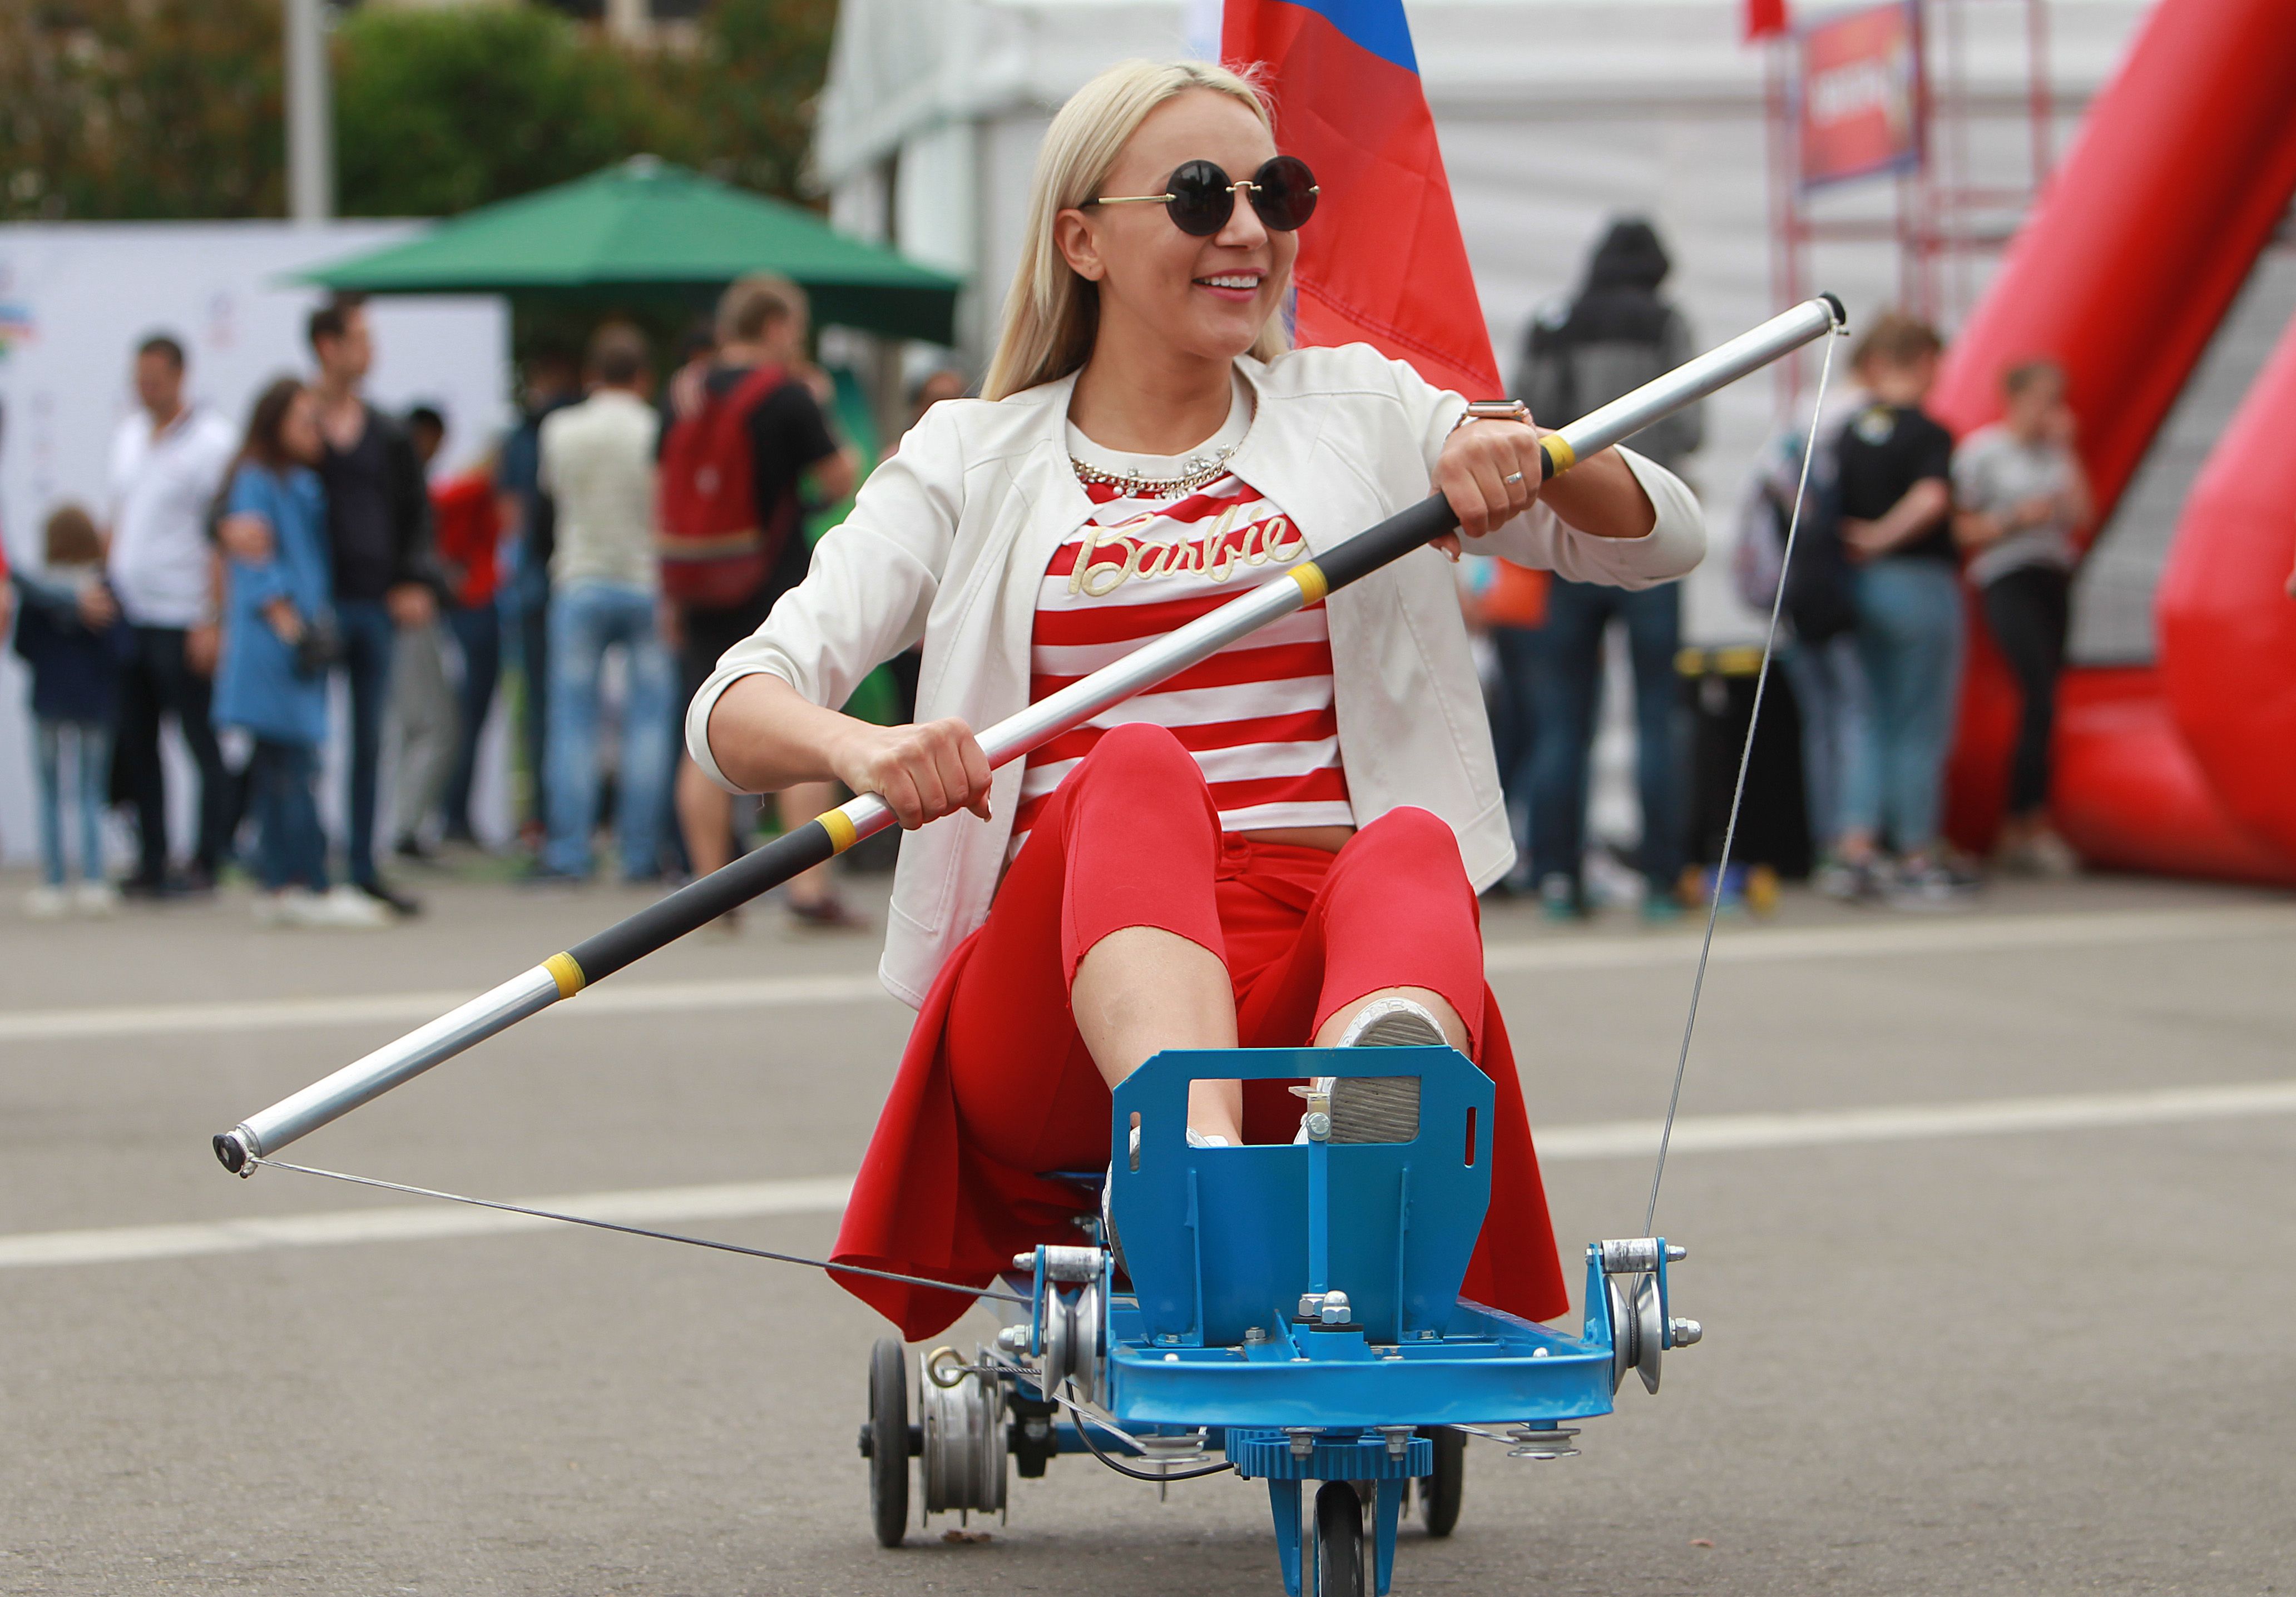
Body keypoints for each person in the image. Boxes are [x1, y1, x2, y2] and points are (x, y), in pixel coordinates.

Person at [687, 59, 1705, 1338]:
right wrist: (867, 747)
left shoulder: (1364, 408)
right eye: (1194, 194)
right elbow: (735, 704)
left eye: (1273, 193)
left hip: (1308, 977)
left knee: (1408, 844)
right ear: (1081, 241)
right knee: (1135, 766)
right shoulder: (968, 453)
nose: (1245, 229)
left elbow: (1661, 542)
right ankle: (1198, 1173)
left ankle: (1374, 1103)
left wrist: (1538, 459)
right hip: (1060, 1000)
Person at [1516, 218, 1705, 920]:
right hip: (1643, 529)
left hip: (1564, 538)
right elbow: (1690, 429)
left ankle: (1559, 880)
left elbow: (1517, 413)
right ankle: (1660, 883)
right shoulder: (1666, 323)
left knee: (1563, 718)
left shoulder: (1553, 322)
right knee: (1659, 713)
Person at [662, 275, 860, 927]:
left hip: (696, 581)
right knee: (804, 721)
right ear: (775, 326)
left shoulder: (685, 393)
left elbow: (659, 489)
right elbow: (840, 477)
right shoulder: (787, 396)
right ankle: (807, 891)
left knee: (703, 723)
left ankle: (710, 892)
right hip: (770, 580)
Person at [211, 379, 389, 929]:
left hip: (299, 642)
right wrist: (295, 632)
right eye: (304, 420)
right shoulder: (257, 480)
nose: (316, 430)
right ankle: (302, 880)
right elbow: (259, 567)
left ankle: (285, 879)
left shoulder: (302, 483)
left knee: (283, 767)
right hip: (277, 647)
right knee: (288, 767)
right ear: (275, 424)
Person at [1832, 312, 1970, 906]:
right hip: (1915, 580)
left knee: (1869, 718)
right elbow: (1933, 498)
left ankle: (1858, 846)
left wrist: (1858, 544)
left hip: (1860, 587)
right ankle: (1916, 850)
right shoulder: (1928, 433)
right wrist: (1884, 535)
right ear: (1920, 362)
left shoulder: (1848, 429)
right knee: (1919, 722)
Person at [304, 296, 435, 915]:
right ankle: (300, 863)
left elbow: (415, 514)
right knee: (300, 739)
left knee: (368, 742)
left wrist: (412, 580)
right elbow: (245, 489)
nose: (371, 350)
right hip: (312, 607)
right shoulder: (295, 422)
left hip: (373, 602)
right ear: (329, 346)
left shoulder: (385, 431)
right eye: (360, 337)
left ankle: (361, 865)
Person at [535, 323, 675, 883]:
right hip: (646, 580)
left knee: (572, 720)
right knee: (649, 720)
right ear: (643, 377)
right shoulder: (654, 428)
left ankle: (569, 850)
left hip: (581, 577)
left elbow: (552, 492)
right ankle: (638, 852)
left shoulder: (560, 428)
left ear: (593, 375)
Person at [104, 333, 237, 897]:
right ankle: (153, 856)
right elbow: (120, 514)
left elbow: (221, 536)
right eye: (140, 378)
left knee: (200, 742)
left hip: (184, 614)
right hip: (132, 613)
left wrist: (213, 616)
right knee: (137, 743)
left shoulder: (212, 441)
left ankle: (208, 856)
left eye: (156, 377)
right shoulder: (131, 434)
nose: (146, 388)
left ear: (181, 375)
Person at [1953, 359, 2089, 878]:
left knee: (2049, 697)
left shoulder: (2055, 455)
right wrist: (2013, 519)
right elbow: (1959, 527)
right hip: (2007, 571)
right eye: (2041, 399)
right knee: (2035, 689)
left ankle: (2035, 819)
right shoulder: (1984, 452)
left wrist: (2070, 449)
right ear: (2014, 398)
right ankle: (2019, 822)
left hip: (2053, 572)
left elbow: (2082, 515)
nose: (2049, 411)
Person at [11, 505, 131, 916]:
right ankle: (95, 879)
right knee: (90, 791)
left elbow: (22, 645)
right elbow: (122, 648)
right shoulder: (103, 588)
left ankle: (55, 882)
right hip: (96, 702)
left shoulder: (41, 593)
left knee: (51, 793)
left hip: (49, 700)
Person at [407, 404, 506, 849]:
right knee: (457, 721)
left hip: (469, 605)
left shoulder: (465, 489)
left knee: (459, 720)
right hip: (472, 606)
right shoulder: (471, 489)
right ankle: (447, 816)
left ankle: (448, 815)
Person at [497, 341, 582, 851]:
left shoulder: (523, 435)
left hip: (536, 576)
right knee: (579, 712)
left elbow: (511, 513)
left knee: (545, 708)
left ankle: (548, 826)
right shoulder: (573, 423)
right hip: (579, 574)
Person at [382, 405, 461, 864]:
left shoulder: (406, 487)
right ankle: (403, 828)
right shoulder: (401, 485)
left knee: (416, 724)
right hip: (406, 611)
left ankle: (403, 825)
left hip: (404, 608)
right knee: (431, 724)